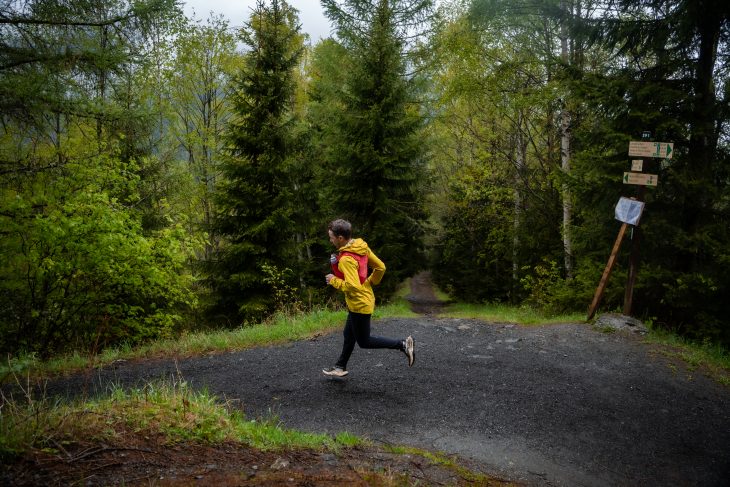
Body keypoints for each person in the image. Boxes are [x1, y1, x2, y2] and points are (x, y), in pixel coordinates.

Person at [322, 219, 415, 377]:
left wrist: (333, 280)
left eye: (331, 237)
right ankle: (340, 367)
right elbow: (380, 267)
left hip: (359, 303)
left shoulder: (346, 259)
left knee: (364, 342)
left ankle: (403, 345)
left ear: (340, 238)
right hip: (361, 299)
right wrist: (369, 283)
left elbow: (352, 286)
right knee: (348, 335)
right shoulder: (360, 246)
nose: (330, 240)